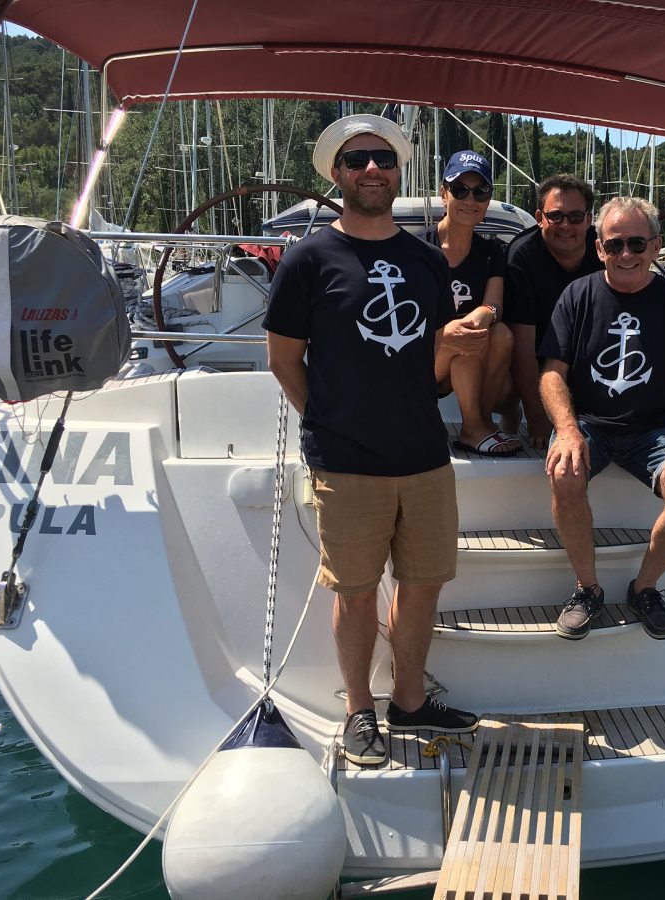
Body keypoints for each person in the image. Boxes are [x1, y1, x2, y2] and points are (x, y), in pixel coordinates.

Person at [263, 115, 479, 769]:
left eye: (382, 158)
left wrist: (448, 355)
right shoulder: (307, 259)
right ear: (337, 173)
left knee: (422, 586)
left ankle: (409, 700)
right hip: (347, 460)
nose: (371, 170)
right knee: (355, 591)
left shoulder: (426, 260)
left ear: (398, 171)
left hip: (425, 456)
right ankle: (360, 708)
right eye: (356, 160)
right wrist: (328, 420)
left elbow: (430, 358)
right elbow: (283, 360)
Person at [540, 197, 665, 641]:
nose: (626, 254)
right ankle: (588, 589)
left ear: (655, 246)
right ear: (599, 249)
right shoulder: (577, 296)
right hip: (591, 424)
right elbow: (552, 373)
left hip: (653, 430)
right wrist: (567, 429)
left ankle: (644, 588)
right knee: (564, 471)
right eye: (614, 245)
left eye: (637, 243)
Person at [424, 150, 521, 456]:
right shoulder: (417, 250)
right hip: (424, 359)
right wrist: (446, 333)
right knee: (461, 338)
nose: (470, 199)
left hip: (468, 357)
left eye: (480, 192)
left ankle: (478, 424)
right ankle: (475, 427)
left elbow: (494, 304)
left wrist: (484, 314)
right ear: (444, 194)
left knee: (499, 334)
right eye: (460, 189)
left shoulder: (492, 252)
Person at [505, 174, 604, 449]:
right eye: (555, 216)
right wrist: (537, 417)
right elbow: (522, 346)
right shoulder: (522, 256)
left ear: (588, 219)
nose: (565, 225)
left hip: (588, 359)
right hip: (538, 360)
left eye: (575, 217)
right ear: (539, 217)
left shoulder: (606, 251)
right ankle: (510, 411)